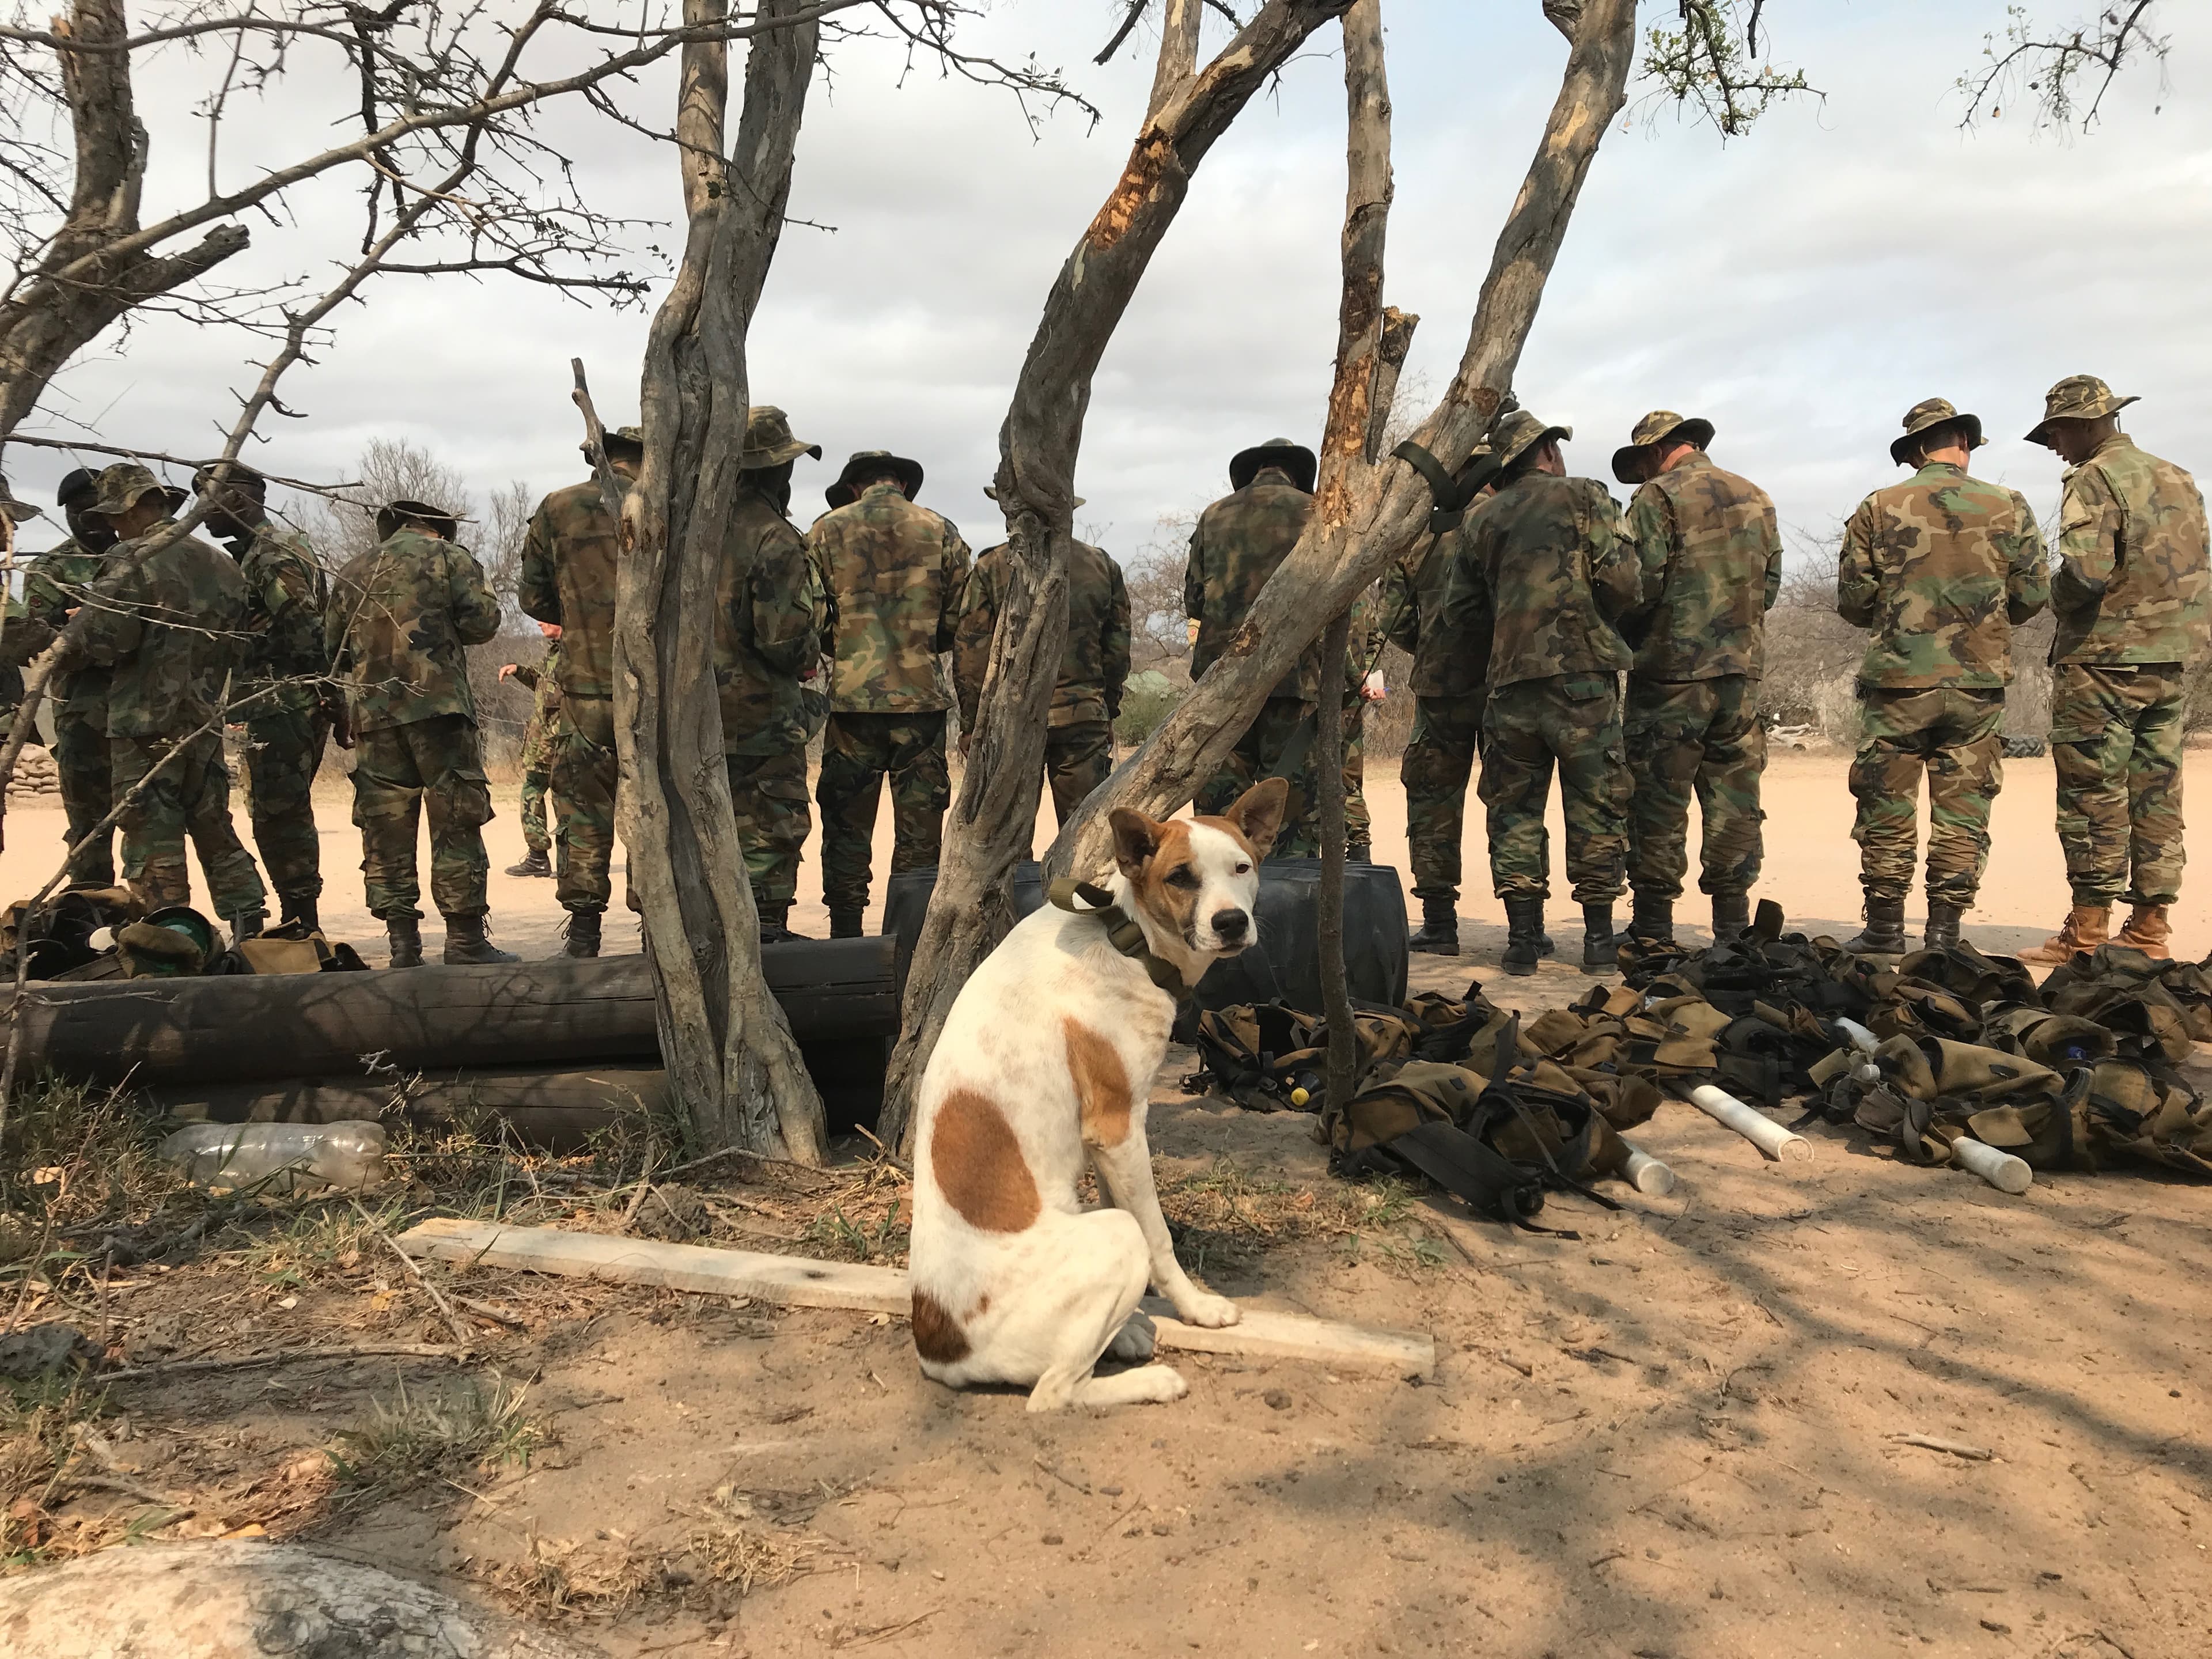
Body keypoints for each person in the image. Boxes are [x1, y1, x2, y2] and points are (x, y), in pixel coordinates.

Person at [1835, 399, 2048, 954]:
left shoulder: (1878, 506)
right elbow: (2032, 594)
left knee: (1886, 805)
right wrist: (1985, 622)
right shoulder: (2010, 505)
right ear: (1965, 443)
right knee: (1964, 811)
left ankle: (1884, 929)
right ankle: (1944, 934)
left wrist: (1897, 617)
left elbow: (1854, 600)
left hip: (1899, 684)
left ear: (1915, 452)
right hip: (1978, 685)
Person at [1437, 410, 1637, 976]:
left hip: (1509, 687)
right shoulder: (1587, 497)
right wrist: (1595, 620)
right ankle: (1598, 941)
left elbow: (1460, 611)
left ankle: (1523, 940)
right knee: (1597, 803)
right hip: (1584, 682)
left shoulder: (1480, 520)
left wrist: (1510, 627)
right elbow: (1625, 581)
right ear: (1548, 451)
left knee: (1514, 812)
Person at [2018, 376, 2210, 962]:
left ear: (2084, 424)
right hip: (2171, 658)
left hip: (2103, 660)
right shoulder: (2179, 477)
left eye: (2055, 433)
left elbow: (2086, 573)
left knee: (2091, 795)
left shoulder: (2093, 478)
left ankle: (2087, 934)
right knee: (2159, 793)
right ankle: (2150, 930)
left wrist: (2051, 597)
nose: (2054, 446)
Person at [62, 464, 269, 935]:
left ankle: (167, 937)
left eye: (115, 516)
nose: (112, 526)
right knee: (214, 827)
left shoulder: (132, 557)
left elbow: (111, 642)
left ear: (134, 509)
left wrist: (81, 626)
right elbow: (238, 641)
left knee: (151, 836)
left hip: (145, 723)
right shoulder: (222, 563)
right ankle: (250, 928)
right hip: (203, 720)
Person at [1611, 411, 1782, 948]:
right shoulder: (1756, 496)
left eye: (1642, 464)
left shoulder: (1657, 498)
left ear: (1656, 451)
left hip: (1672, 676)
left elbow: (1639, 586)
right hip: (1740, 675)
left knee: (1657, 800)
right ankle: (1732, 930)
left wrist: (1630, 637)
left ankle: (1653, 929)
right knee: (1735, 799)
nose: (1642, 475)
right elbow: (1770, 585)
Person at [326, 498, 514, 967]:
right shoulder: (450, 557)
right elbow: (482, 624)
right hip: (440, 710)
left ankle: (403, 946)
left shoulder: (353, 570)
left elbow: (332, 650)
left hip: (375, 717)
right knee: (456, 820)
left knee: (385, 826)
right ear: (437, 529)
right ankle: (465, 941)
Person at [806, 449, 971, 937]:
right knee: (920, 834)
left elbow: (810, 617)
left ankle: (845, 934)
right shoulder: (941, 530)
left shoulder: (824, 531)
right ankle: (910, 941)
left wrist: (847, 647)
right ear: (901, 483)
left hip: (851, 705)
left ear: (853, 487)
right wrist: (919, 643)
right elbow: (960, 619)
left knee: (847, 827)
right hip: (921, 704)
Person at [195, 463, 338, 934]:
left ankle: (302, 923)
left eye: (210, 500)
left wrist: (328, 693)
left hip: (280, 701)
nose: (202, 512)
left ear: (239, 499)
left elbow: (305, 627)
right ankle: (298, 918)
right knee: (276, 813)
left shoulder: (270, 553)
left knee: (280, 816)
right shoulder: (263, 551)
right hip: (276, 700)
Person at [520, 426, 638, 957]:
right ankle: (657, 933)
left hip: (584, 688)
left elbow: (534, 598)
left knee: (583, 811)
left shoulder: (557, 507)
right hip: (654, 692)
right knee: (656, 810)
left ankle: (585, 934)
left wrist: (581, 615)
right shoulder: (667, 504)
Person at [953, 494, 1130, 828]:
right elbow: (1117, 651)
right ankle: (1072, 870)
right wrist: (1108, 709)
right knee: (1083, 834)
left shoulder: (991, 566)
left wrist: (972, 724)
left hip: (1012, 722)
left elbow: (971, 654)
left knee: (1005, 838)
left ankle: (1020, 869)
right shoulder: (1101, 565)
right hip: (1082, 717)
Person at [1383, 448, 1495, 957]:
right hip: (1504, 682)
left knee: (1433, 802)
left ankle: (1440, 924)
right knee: (1514, 799)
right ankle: (1527, 926)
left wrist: (1433, 645)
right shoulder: (1510, 521)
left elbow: (1393, 618)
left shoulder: (1421, 533)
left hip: (1440, 685)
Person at [719, 407, 826, 942]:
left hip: (688, 716)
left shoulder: (687, 528)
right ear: (775, 471)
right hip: (760, 718)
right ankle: (765, 937)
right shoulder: (773, 537)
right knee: (768, 826)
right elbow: (784, 642)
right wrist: (813, 644)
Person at [1184, 437, 1320, 853]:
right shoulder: (1317, 511)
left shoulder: (1213, 516)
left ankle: (1216, 878)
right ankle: (1295, 884)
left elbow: (1194, 599)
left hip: (1223, 678)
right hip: (1295, 675)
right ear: (1295, 474)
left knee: (1220, 803)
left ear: (1252, 473)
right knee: (1291, 802)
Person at [24, 468, 120, 889]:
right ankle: (91, 908)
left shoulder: (142, 559)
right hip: (82, 713)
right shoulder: (52, 567)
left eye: (93, 510)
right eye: (75, 512)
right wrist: (82, 629)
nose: (86, 520)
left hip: (147, 707)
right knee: (88, 826)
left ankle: (155, 915)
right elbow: (39, 640)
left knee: (153, 825)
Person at [498, 622, 562, 880]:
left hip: (560, 743)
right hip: (541, 743)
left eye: (546, 618)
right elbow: (543, 685)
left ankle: (570, 864)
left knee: (565, 797)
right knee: (532, 793)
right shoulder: (555, 652)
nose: (539, 623)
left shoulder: (576, 654)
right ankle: (538, 857)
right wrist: (519, 671)